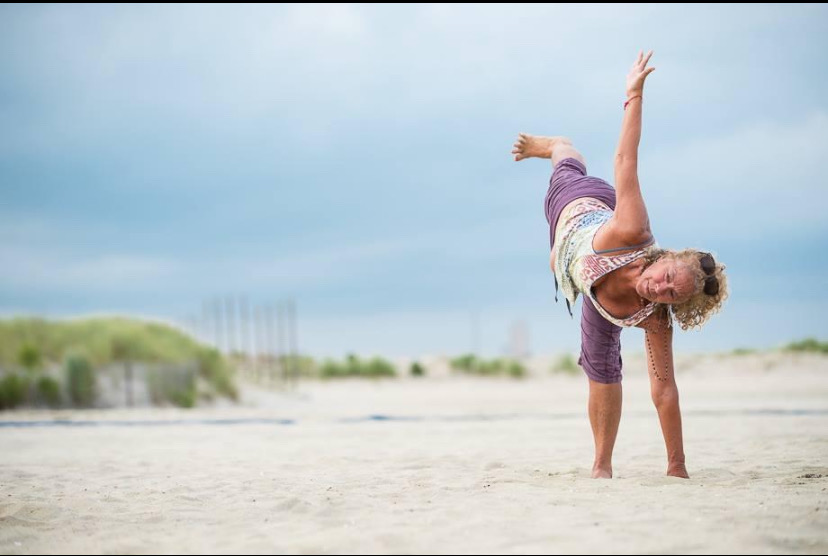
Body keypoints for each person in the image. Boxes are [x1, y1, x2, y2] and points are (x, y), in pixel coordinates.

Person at [511, 51, 728, 479]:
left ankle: (600, 466)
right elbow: (626, 161)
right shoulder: (634, 230)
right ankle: (556, 144)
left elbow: (664, 389)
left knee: (602, 365)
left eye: (671, 295)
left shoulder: (656, 318)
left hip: (596, 294)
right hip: (582, 206)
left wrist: (677, 467)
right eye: (666, 278)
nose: (659, 289)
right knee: (567, 163)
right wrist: (634, 96)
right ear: (663, 258)